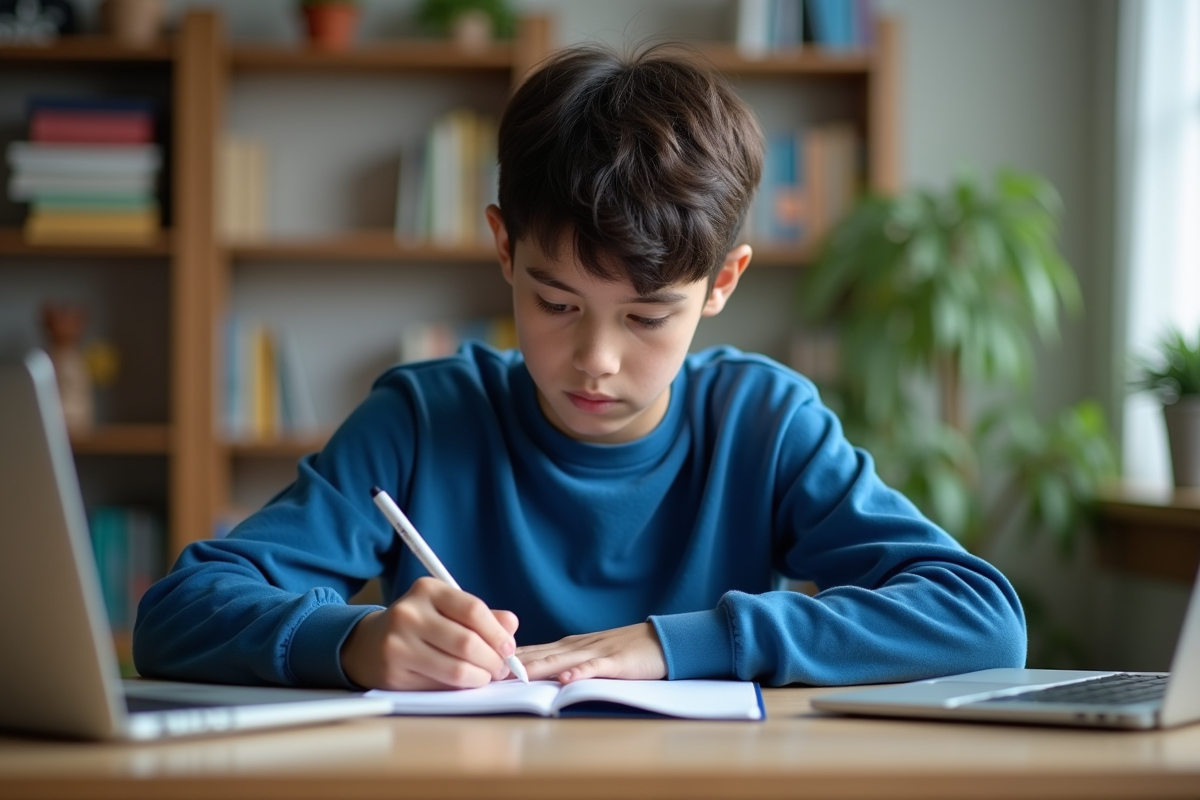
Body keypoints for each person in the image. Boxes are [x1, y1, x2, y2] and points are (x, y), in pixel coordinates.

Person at [134, 44, 1025, 692]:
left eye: (647, 317)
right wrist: (355, 641)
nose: (596, 361)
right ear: (503, 250)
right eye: (556, 304)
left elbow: (980, 617)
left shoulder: (764, 424)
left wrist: (680, 643)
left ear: (723, 282)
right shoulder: (423, 418)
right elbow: (176, 613)